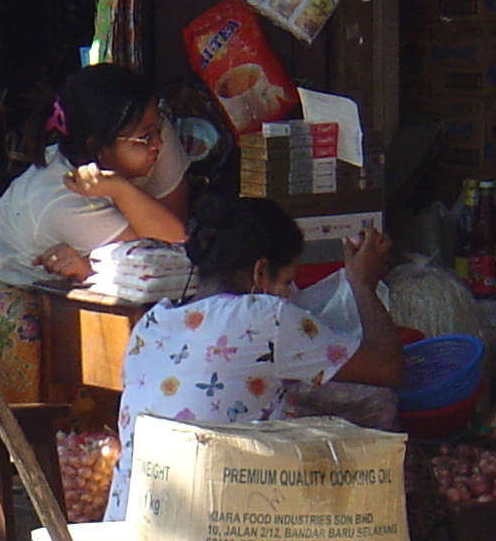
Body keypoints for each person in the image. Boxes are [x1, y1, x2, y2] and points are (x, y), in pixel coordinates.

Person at [105, 197, 403, 521]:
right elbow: (388, 367)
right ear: (261, 273)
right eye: (287, 282)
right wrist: (362, 283)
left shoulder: (151, 325)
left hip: (130, 520)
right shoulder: (264, 317)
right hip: (200, 529)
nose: (290, 295)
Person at [0, 64, 190, 402]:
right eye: (146, 137)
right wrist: (120, 191)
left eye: (157, 129)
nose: (158, 143)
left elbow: (170, 249)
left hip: (43, 279)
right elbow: (163, 251)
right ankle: (33, 444)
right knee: (26, 329)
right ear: (97, 147)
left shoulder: (151, 136)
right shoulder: (61, 201)